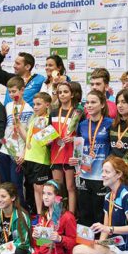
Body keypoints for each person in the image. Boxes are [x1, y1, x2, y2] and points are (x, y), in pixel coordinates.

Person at [8, 179, 78, 254]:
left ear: (58, 197)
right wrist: (35, 237)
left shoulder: (68, 217)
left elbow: (72, 243)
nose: (45, 197)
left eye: (49, 194)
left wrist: (60, 239)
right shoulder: (44, 215)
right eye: (44, 193)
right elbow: (41, 242)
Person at [71, 90, 113, 226]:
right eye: (87, 102)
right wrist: (75, 159)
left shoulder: (110, 123)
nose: (89, 105)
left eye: (93, 102)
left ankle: (99, 244)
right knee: (84, 213)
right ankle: (85, 245)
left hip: (102, 176)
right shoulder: (82, 125)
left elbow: (113, 149)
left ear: (102, 105)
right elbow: (78, 147)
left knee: (100, 214)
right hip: (84, 175)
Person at [0, 76, 33, 202]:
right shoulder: (7, 106)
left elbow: (29, 135)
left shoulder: (29, 109)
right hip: (5, 149)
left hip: (18, 152)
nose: (12, 94)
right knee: (4, 183)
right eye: (10, 92)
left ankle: (21, 212)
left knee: (16, 184)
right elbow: (3, 128)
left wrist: (24, 153)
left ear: (22, 90)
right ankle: (6, 211)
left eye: (14, 91)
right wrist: (1, 144)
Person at [50, 81, 82, 214]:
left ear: (72, 94)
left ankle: (71, 215)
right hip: (56, 153)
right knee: (57, 187)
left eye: (65, 92)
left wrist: (74, 139)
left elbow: (82, 135)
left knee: (70, 187)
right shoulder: (53, 112)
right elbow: (48, 131)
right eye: (60, 92)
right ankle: (57, 215)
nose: (62, 95)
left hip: (71, 154)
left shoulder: (78, 112)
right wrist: (47, 139)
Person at [21, 92, 52, 213]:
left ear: (47, 105)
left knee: (42, 189)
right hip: (30, 158)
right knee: (35, 188)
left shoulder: (48, 120)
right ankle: (39, 214)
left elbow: (47, 141)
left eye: (39, 104)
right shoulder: (34, 119)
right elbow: (29, 139)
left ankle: (45, 215)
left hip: (41, 159)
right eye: (34, 104)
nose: (35, 107)